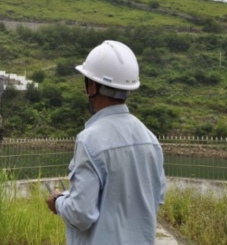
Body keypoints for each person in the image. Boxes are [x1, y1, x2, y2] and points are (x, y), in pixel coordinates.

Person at [47, 40, 166, 245]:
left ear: (92, 86)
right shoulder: (150, 140)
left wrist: (58, 201)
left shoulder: (89, 140)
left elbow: (81, 215)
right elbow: (154, 199)